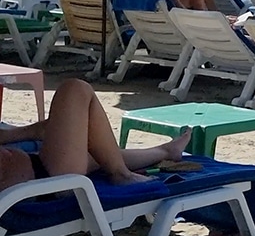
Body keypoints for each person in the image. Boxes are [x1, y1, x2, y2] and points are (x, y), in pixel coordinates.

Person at [0, 79, 192, 192]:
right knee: (75, 89)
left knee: (99, 154)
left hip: (38, 169)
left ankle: (165, 151)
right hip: (44, 182)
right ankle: (121, 174)